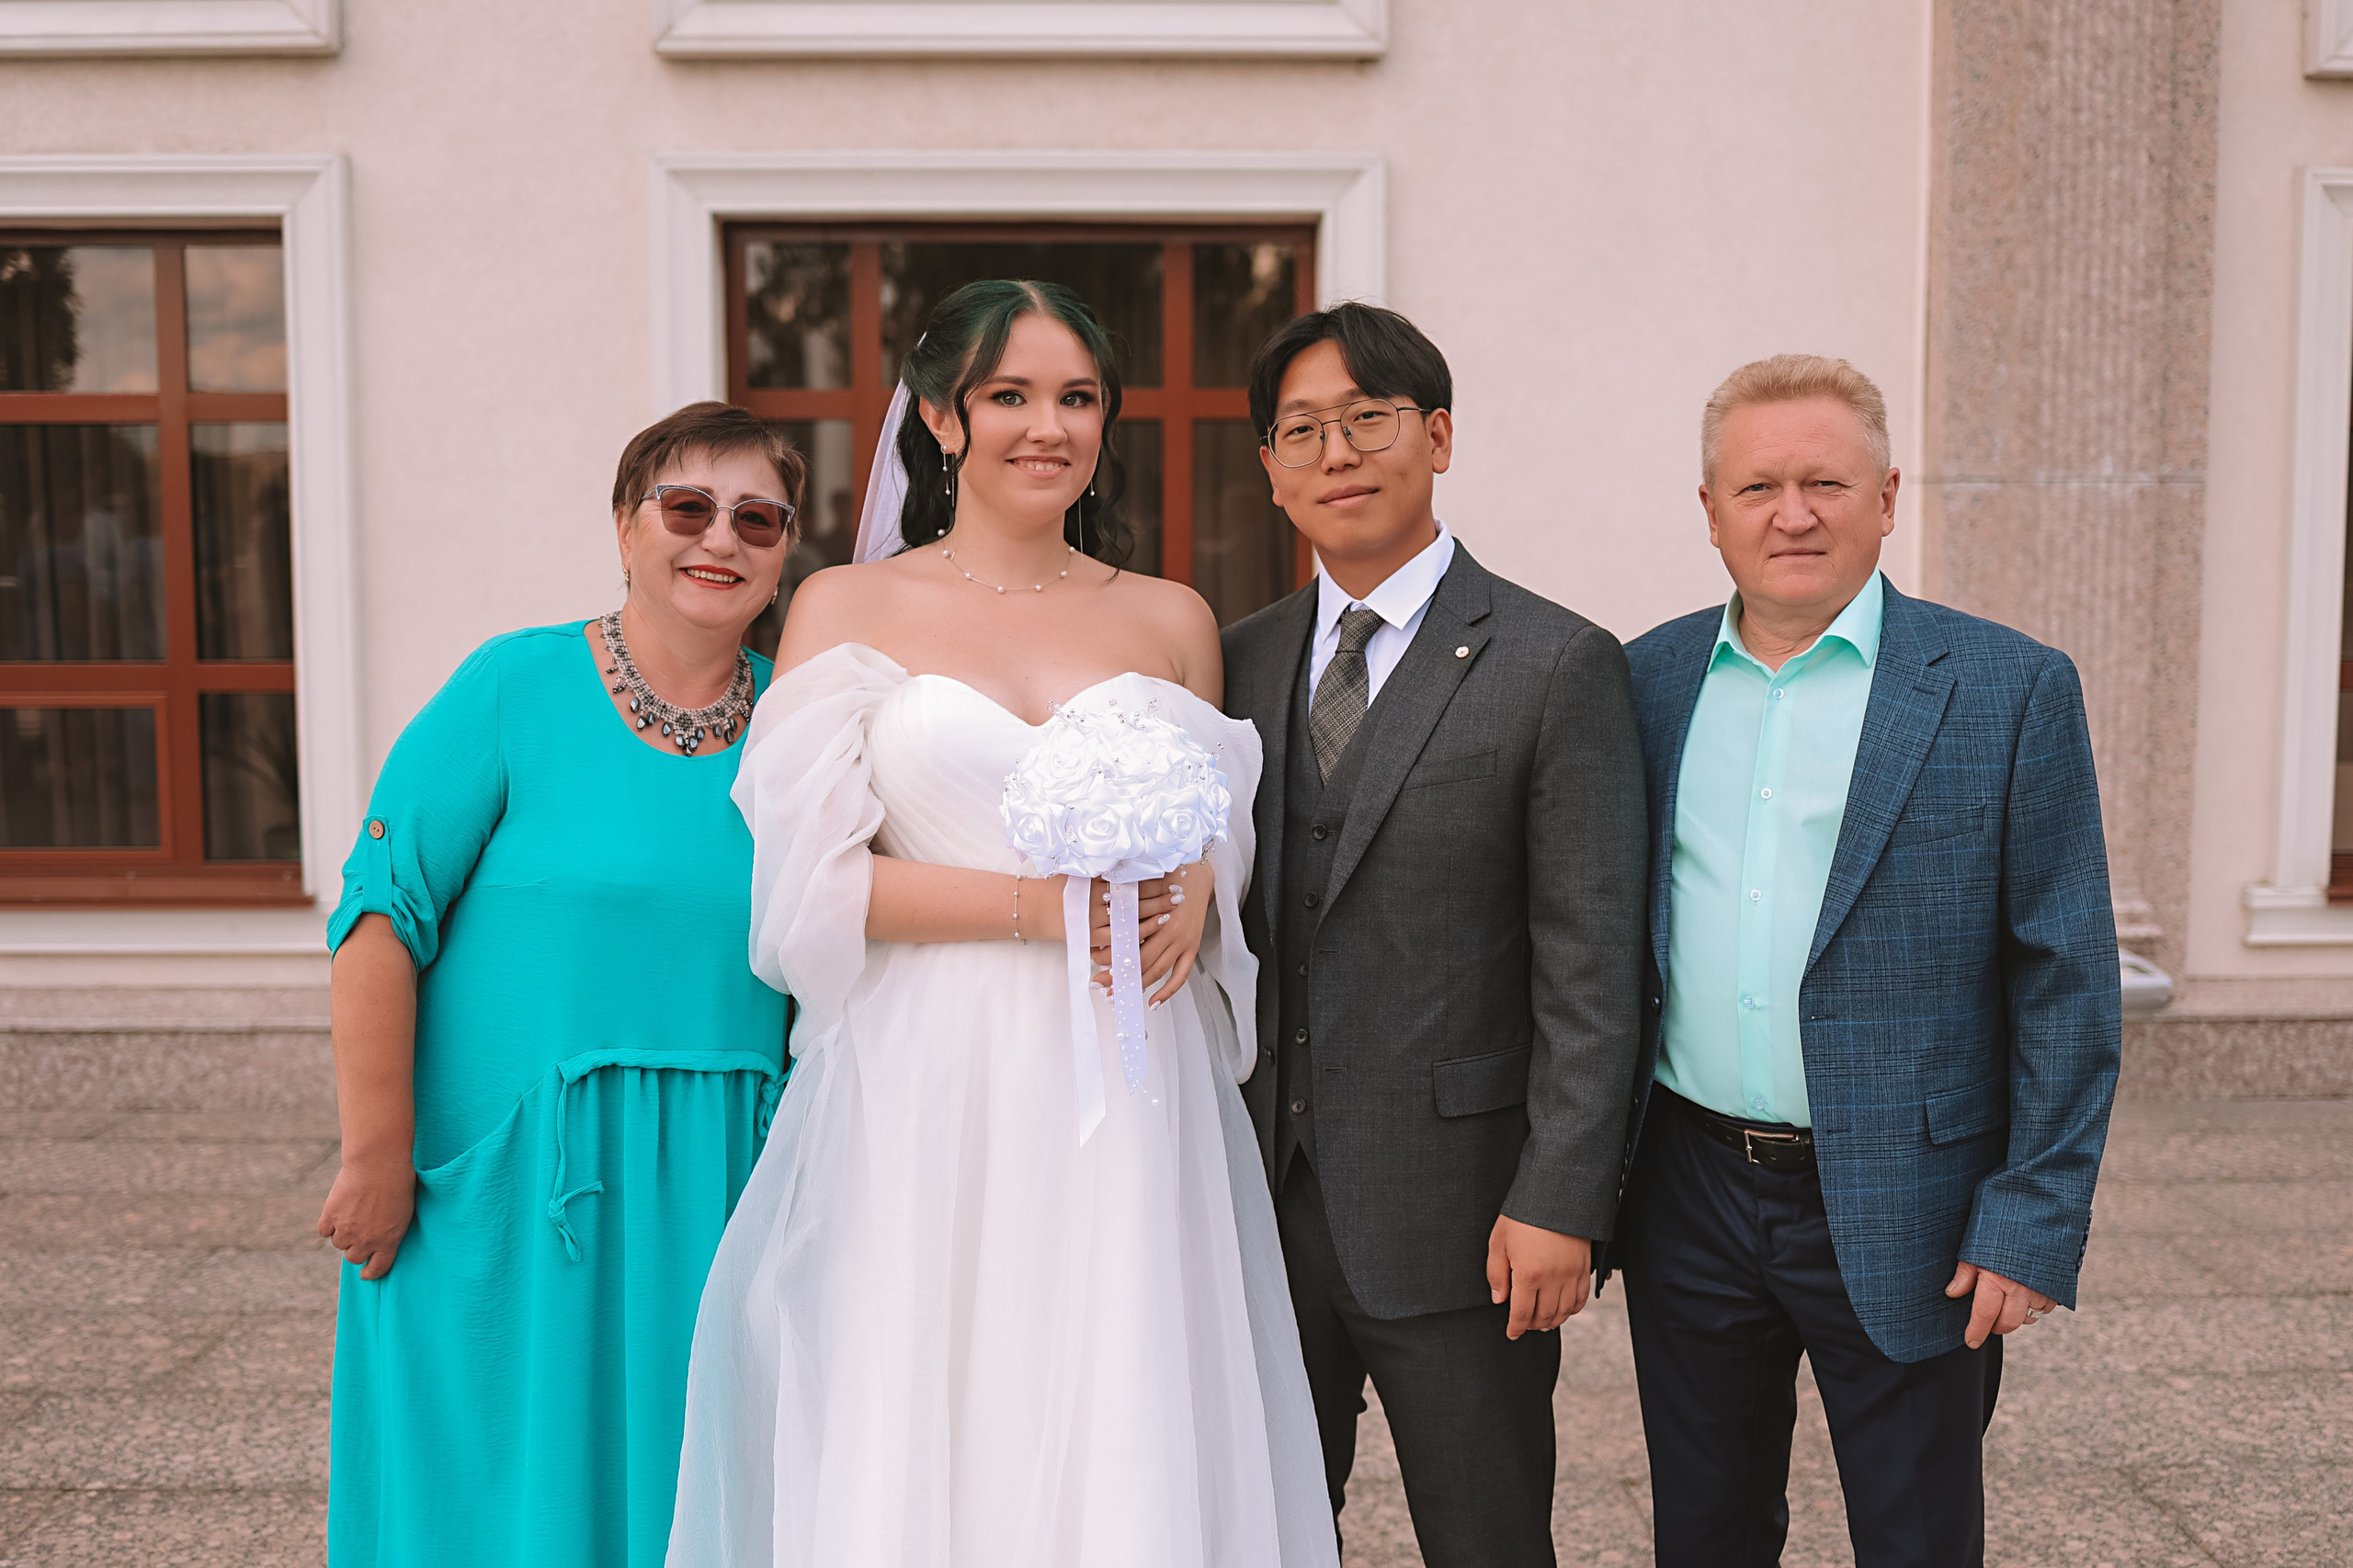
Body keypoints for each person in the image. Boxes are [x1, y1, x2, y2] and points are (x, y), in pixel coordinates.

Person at [666, 279, 1339, 1567]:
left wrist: (1201, 878)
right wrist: (1043, 908)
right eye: (1011, 395)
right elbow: (811, 890)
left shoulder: (1170, 617)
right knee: (932, 1385)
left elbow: (1220, 821)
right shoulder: (846, 609)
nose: (1049, 426)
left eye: (1078, 397)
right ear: (940, 417)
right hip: (933, 1070)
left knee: (1124, 1383)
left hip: (1132, 1086)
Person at [1612, 355, 2120, 1567]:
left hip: (1915, 1200)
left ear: (1887, 496)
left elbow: (2067, 976)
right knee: (1708, 1528)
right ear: (1710, 510)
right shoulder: (1643, 681)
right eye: (1760, 486)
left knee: (1917, 1532)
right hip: (1687, 1189)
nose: (1794, 512)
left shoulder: (2008, 690)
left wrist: (2031, 1216)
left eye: (1827, 482)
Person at [315, 403, 801, 1566]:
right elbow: (380, 918)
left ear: (788, 553)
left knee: (699, 1491)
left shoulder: (804, 713)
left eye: (757, 518)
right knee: (494, 1490)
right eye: (687, 506)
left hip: (732, 1177)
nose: (718, 539)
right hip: (518, 1182)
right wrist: (376, 1152)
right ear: (627, 527)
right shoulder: (511, 686)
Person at [1219, 302, 1649, 1566]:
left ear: (1439, 434)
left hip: (1468, 1218)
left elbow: (1594, 960)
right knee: (1267, 1530)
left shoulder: (1555, 662)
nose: (1337, 452)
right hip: (1258, 1198)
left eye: (1369, 418)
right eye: (1302, 430)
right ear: (1272, 468)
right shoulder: (1232, 662)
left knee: (1490, 1537)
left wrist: (1563, 1198)